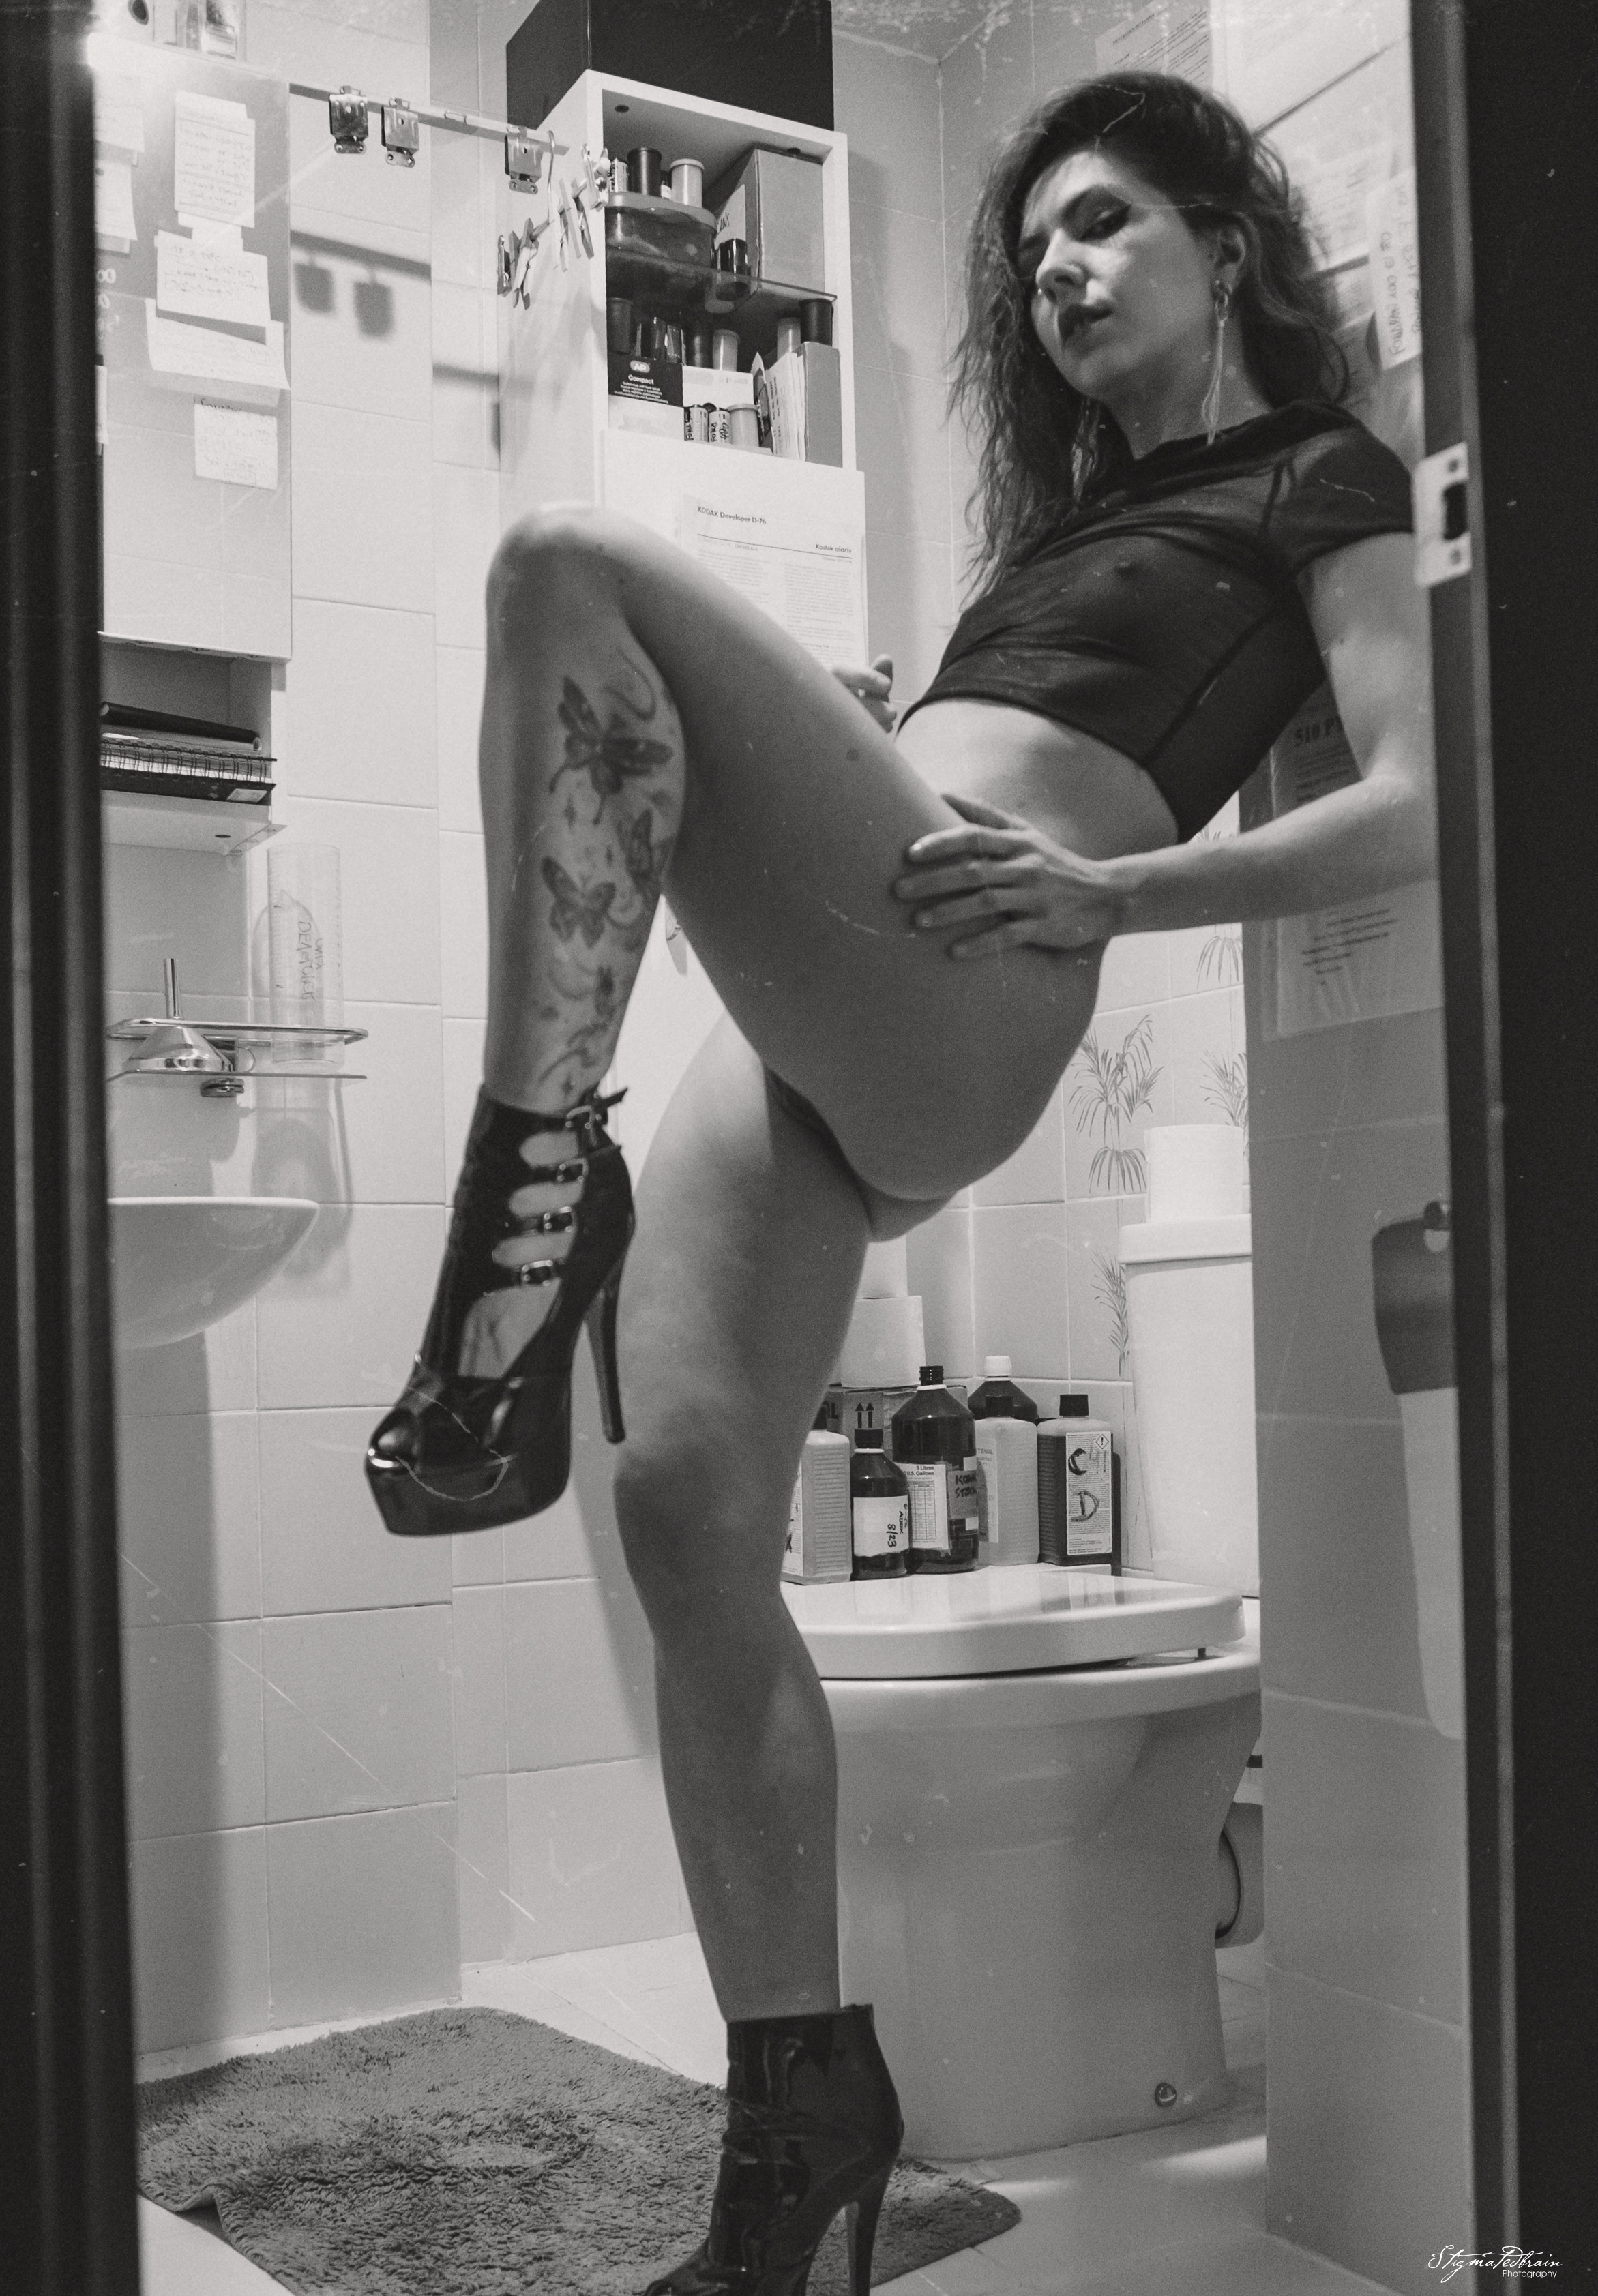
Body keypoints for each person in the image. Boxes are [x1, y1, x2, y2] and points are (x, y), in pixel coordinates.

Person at [366, 71, 1432, 2296]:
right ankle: (803, 2138)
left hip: (972, 988)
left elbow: (1422, 793)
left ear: (1227, 242)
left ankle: (522, 1211)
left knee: (564, 562)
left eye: (1105, 223)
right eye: (1034, 252)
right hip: (837, 999)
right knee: (683, 1511)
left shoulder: (1314, 471)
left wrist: (1118, 902)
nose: (1059, 272)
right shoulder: (1065, 534)